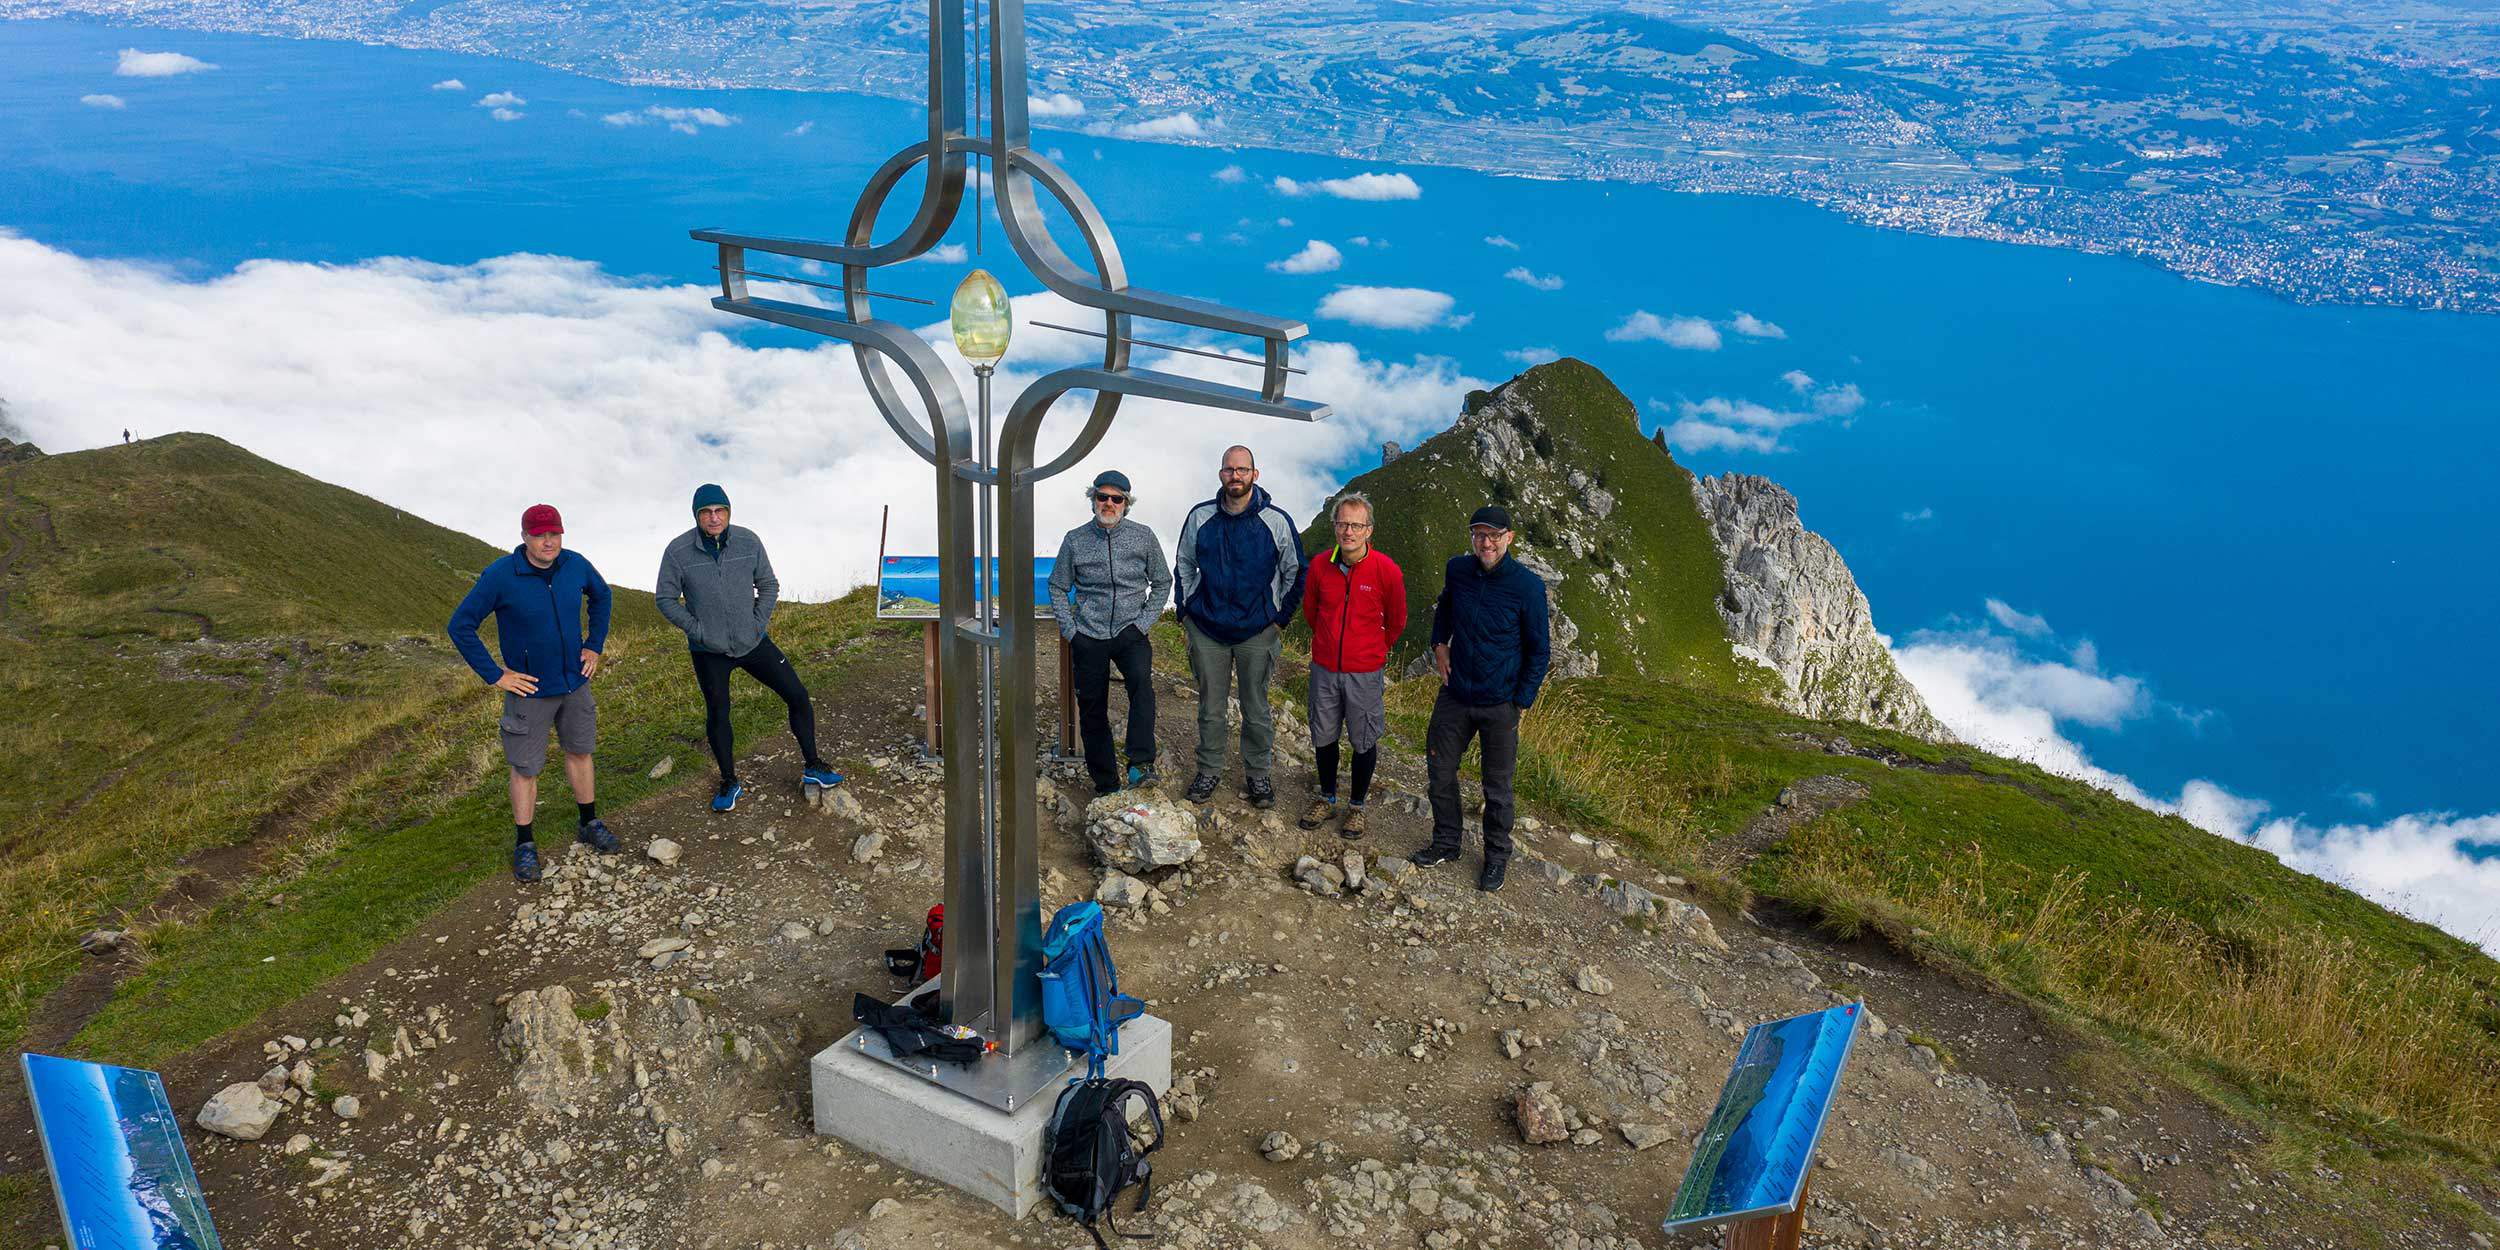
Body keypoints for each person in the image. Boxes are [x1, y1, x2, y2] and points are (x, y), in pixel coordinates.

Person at [447, 503, 618, 883]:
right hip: (530, 691)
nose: (548, 541)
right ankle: (525, 844)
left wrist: (594, 644)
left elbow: (601, 596)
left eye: (554, 533)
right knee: (525, 768)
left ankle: (589, 822)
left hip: (574, 682)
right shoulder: (501, 575)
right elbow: (460, 626)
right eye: (540, 534)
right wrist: (495, 675)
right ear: (524, 537)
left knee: (580, 751)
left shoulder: (575, 564)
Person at [655, 484, 843, 812]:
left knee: (797, 695)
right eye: (706, 512)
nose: (714, 518)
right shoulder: (678, 551)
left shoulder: (748, 541)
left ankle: (813, 765)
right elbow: (665, 599)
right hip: (708, 650)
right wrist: (697, 630)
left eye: (720, 511)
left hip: (753, 641)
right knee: (718, 713)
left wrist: (757, 623)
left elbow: (768, 584)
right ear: (696, 515)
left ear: (728, 512)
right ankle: (729, 781)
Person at [1415, 505, 1551, 891]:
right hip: (1455, 694)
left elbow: (1540, 650)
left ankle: (1495, 859)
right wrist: (1439, 644)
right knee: (1440, 772)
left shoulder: (1527, 586)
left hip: (1499, 703)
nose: (1486, 542)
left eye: (1493, 535)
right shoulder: (1458, 570)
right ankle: (1446, 843)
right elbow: (1444, 607)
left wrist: (1520, 701)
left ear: (1509, 538)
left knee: (1497, 789)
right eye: (1479, 534)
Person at [1173, 445, 1303, 808]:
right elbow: (1184, 563)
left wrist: (1280, 619)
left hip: (1257, 630)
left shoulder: (1276, 521)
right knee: (1210, 707)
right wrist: (1185, 611)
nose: (1236, 476)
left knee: (1256, 708)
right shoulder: (1200, 517)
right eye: (1229, 470)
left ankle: (1258, 775)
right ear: (1221, 475)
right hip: (1207, 627)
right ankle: (1209, 769)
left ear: (1255, 475)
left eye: (1242, 470)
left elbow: (1295, 570)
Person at [1048, 470, 1173, 796]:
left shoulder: (1143, 537)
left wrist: (1143, 623)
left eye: (1116, 499)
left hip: (1130, 631)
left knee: (1142, 690)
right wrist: (1071, 630)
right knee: (1092, 708)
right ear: (1093, 500)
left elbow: (1163, 581)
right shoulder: (1075, 540)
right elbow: (1058, 586)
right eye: (1102, 497)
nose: (1109, 503)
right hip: (1088, 634)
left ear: (1126, 504)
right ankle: (1106, 782)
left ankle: (1140, 764)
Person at [1297, 492, 1405, 839]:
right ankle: (1327, 796)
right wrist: (1329, 644)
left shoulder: (1385, 569)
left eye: (1356, 525)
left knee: (1363, 738)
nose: (1348, 531)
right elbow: (1312, 611)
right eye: (1343, 523)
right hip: (1326, 667)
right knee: (1324, 733)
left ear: (1369, 530)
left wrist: (1372, 649)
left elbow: (1398, 619)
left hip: (1365, 671)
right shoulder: (1319, 567)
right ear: (1335, 526)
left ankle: (1356, 805)